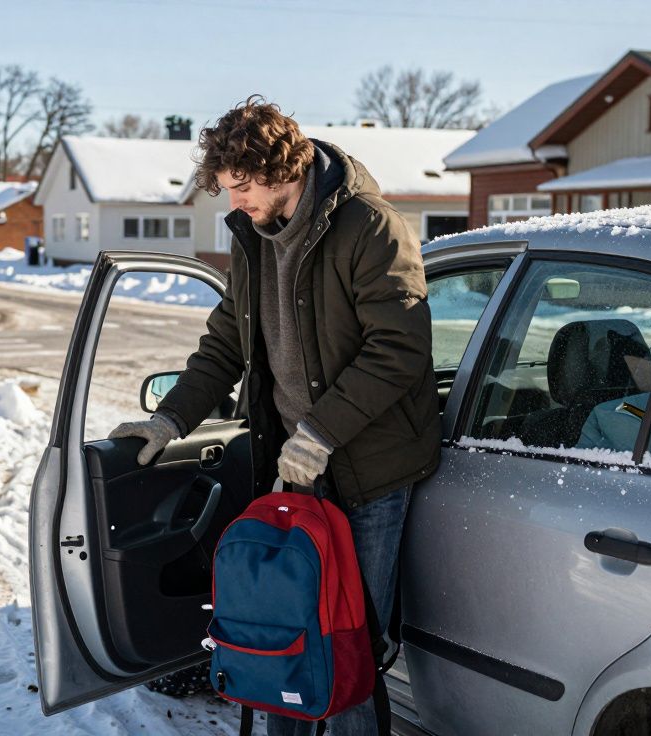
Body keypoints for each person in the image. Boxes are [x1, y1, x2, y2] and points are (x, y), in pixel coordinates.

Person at [108, 96, 440, 735]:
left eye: (239, 186)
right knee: (283, 638)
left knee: (349, 648)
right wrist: (171, 421)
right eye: (226, 188)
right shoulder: (254, 238)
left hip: (368, 474)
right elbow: (227, 342)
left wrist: (320, 432)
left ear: (280, 169)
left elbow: (399, 350)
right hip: (293, 470)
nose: (233, 202)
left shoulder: (369, 226)